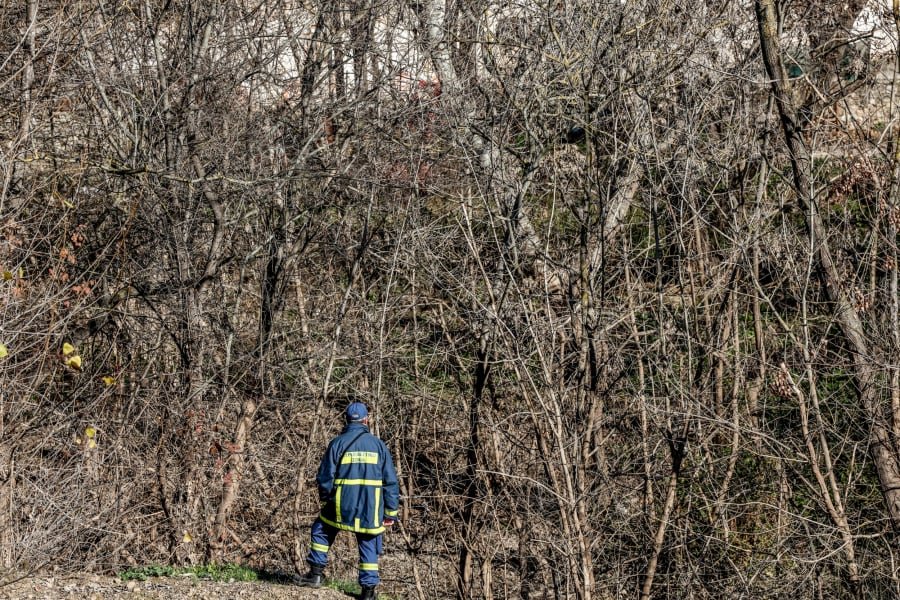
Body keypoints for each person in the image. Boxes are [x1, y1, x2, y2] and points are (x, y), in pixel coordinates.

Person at [296, 402, 400, 600]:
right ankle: (368, 593)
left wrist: (326, 499)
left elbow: (325, 477)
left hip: (341, 505)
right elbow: (391, 482)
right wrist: (390, 513)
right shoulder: (379, 446)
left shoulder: (337, 443)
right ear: (366, 420)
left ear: (346, 420)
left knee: (322, 529)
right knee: (369, 544)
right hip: (371, 507)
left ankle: (316, 575)